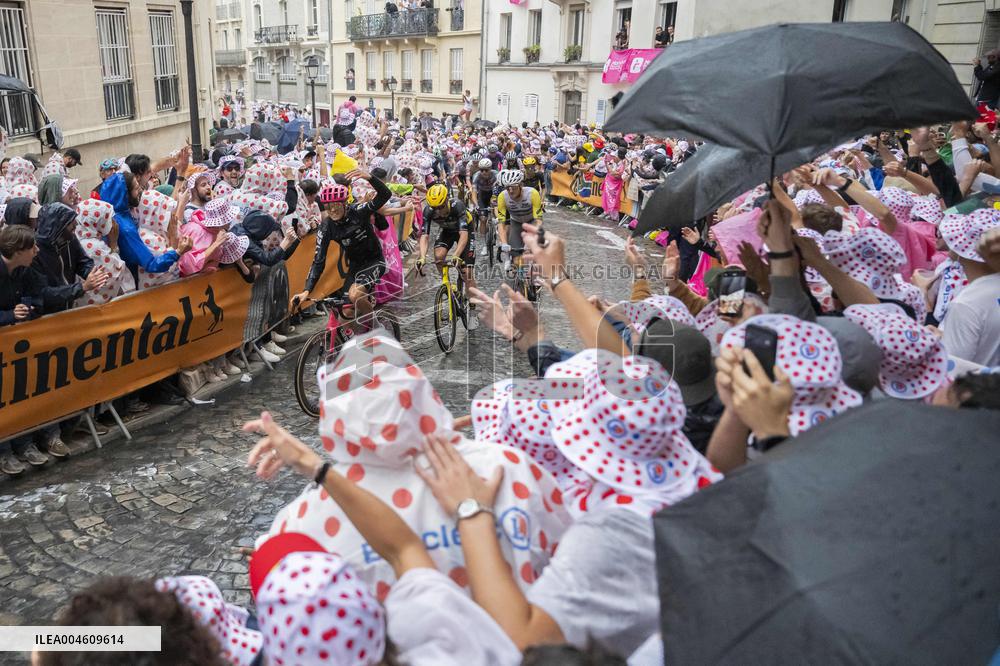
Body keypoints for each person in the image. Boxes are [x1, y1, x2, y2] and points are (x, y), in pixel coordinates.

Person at [293, 170, 391, 327]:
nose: (332, 210)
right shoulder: (326, 227)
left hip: (374, 261)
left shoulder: (359, 211)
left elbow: (385, 195)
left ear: (345, 204)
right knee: (345, 315)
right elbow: (318, 260)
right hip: (354, 267)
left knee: (356, 294)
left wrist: (370, 178)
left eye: (336, 205)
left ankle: (377, 329)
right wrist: (306, 290)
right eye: (328, 206)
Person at [0, 225, 42, 474]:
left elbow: (37, 297)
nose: (37, 251)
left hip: (15, 345)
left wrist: (30, 310)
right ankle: (4, 452)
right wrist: (8, 315)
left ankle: (24, 443)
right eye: (32, 247)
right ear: (17, 251)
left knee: (20, 392)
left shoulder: (23, 271)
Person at [99, 172, 191, 282]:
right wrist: (178, 251)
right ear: (125, 194)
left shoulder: (121, 213)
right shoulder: (126, 228)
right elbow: (152, 265)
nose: (140, 192)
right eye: (136, 188)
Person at [417, 183, 478, 303]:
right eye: (435, 208)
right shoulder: (428, 210)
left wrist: (456, 255)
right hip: (447, 230)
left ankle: (472, 306)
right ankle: (448, 284)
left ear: (446, 200)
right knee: (439, 256)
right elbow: (424, 236)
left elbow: (463, 234)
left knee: (467, 273)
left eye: (441, 206)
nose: (438, 211)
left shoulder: (457, 206)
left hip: (465, 230)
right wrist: (422, 257)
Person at [495, 169, 543, 270]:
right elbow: (501, 223)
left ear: (521, 185)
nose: (511, 191)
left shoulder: (532, 193)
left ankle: (536, 275)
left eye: (514, 187)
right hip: (516, 222)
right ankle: (518, 281)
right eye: (508, 188)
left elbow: (538, 220)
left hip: (531, 222)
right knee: (516, 257)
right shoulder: (502, 197)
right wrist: (504, 243)